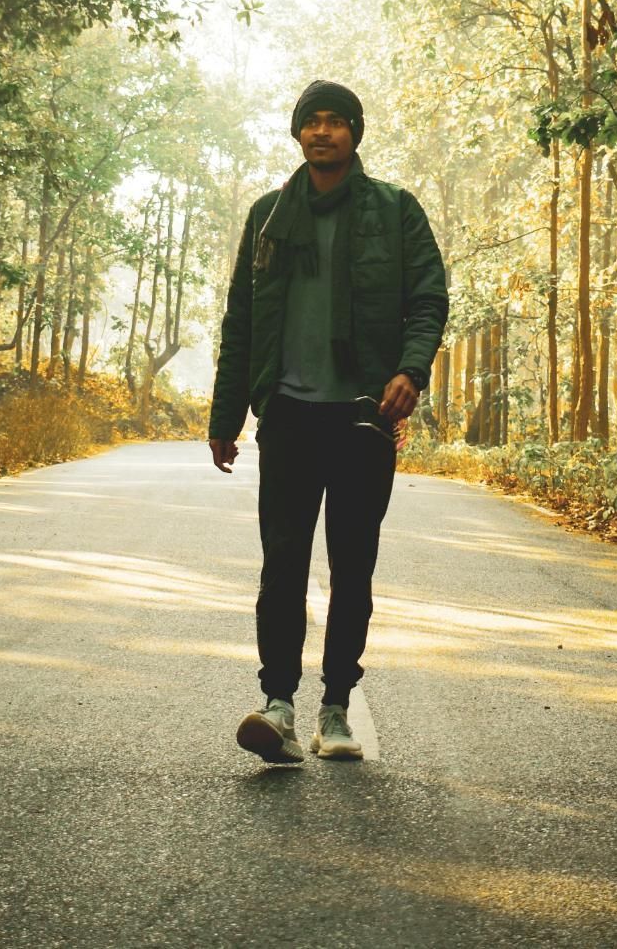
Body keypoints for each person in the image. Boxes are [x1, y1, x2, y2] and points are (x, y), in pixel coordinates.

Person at [207, 79, 449, 763]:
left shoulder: (395, 211)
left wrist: (410, 370)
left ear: (354, 133)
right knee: (281, 566)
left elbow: (427, 298)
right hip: (285, 414)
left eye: (335, 122)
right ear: (296, 134)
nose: (322, 132)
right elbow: (241, 322)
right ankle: (278, 705)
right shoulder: (267, 216)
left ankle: (336, 708)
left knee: (353, 568)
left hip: (362, 420)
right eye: (310, 122)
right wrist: (227, 415)